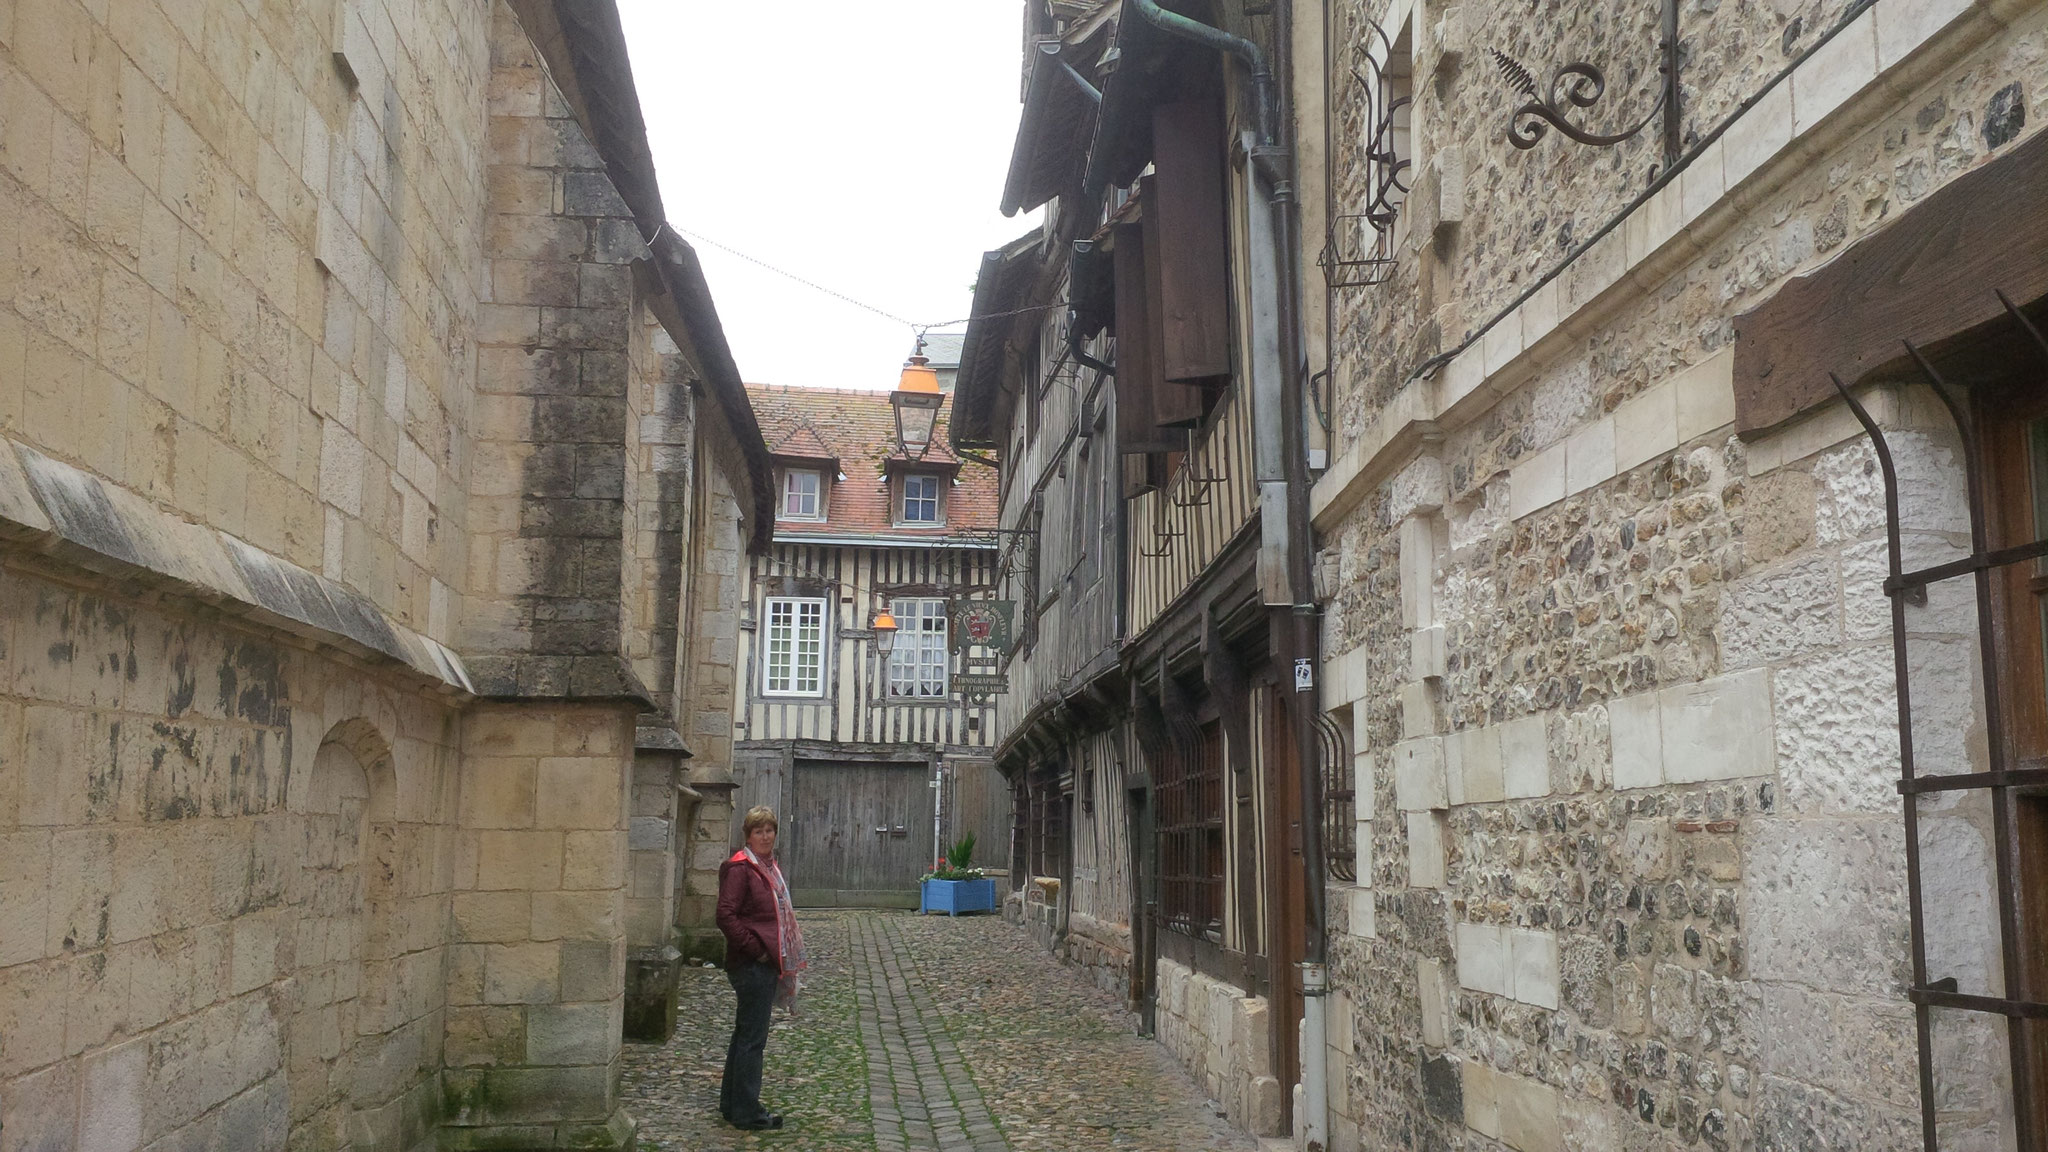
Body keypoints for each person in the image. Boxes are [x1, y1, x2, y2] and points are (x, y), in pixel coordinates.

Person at [715, 805, 807, 1131]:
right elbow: (725, 916)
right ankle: (747, 1112)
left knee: (744, 1035)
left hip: (762, 963)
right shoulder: (741, 869)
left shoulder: (767, 868)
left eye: (769, 830)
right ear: (748, 836)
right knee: (753, 1041)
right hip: (751, 965)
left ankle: (731, 1104)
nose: (765, 836)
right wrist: (759, 952)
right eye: (759, 831)